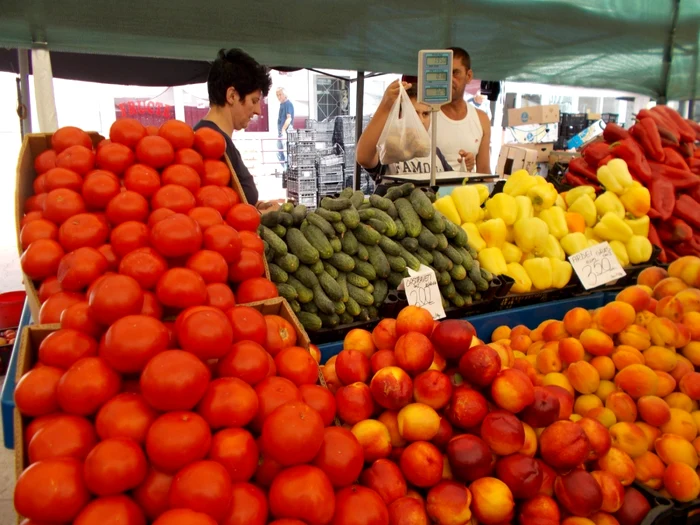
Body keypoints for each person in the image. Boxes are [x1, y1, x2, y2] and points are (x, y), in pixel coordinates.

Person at [194, 48, 272, 207]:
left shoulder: (217, 139)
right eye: (254, 100)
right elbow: (216, 215)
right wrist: (261, 216)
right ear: (232, 96)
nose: (258, 110)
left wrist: (256, 208)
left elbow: (230, 203)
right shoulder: (210, 143)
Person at [356, 78, 453, 194]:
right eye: (414, 113)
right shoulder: (388, 149)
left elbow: (452, 184)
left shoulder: (434, 152)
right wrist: (385, 105)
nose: (421, 120)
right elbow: (363, 157)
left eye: (426, 114)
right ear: (399, 115)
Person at [435, 47, 491, 174]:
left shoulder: (482, 119)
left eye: (455, 73)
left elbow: (484, 171)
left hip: (466, 192)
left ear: (469, 76)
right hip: (430, 193)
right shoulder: (425, 114)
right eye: (444, 73)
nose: (449, 79)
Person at [276, 87, 295, 166]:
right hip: (281, 132)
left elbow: (289, 118)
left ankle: (287, 170)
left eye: (280, 94)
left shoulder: (288, 104)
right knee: (279, 152)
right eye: (277, 95)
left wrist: (283, 130)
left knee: (286, 152)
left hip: (286, 132)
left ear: (285, 94)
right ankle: (285, 169)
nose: (278, 97)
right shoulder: (282, 105)